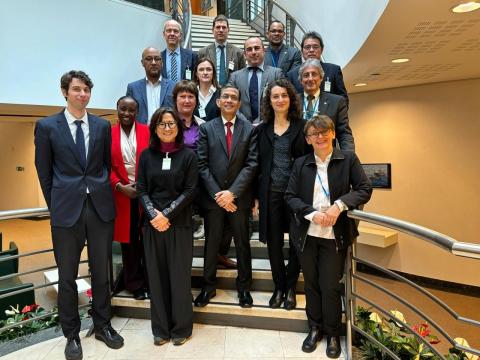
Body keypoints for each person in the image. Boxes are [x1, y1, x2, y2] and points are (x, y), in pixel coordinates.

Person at [34, 70, 124, 360]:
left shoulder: (101, 126)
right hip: (66, 212)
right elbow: (44, 172)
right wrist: (57, 203)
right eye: (76, 89)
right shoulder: (47, 127)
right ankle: (71, 335)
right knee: (67, 277)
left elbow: (103, 167)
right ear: (64, 92)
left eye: (86, 89)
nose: (82, 94)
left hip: (99, 208)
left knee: (101, 273)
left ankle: (102, 325)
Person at [285, 115, 372, 357]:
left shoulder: (348, 160)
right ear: (308, 139)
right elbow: (290, 196)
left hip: (335, 236)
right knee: (311, 285)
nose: (320, 137)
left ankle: (333, 333)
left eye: (324, 132)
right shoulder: (301, 163)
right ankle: (314, 328)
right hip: (307, 235)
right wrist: (311, 214)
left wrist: (340, 205)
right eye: (314, 134)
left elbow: (365, 189)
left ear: (333, 133)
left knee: (331, 286)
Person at [136, 107, 198, 346]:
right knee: (157, 277)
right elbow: (141, 189)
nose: (167, 128)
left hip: (179, 225)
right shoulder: (146, 156)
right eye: (162, 124)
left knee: (179, 277)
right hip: (152, 226)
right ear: (154, 128)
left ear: (179, 127)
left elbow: (191, 190)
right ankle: (160, 329)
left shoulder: (188, 157)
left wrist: (168, 214)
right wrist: (154, 215)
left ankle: (181, 327)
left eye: (172, 123)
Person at [194, 85, 258, 308]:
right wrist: (218, 195)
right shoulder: (206, 129)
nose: (229, 100)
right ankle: (208, 287)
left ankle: (244, 289)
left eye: (234, 98)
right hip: (213, 200)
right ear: (218, 102)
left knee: (242, 245)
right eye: (225, 97)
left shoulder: (249, 129)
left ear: (239, 104)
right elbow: (201, 165)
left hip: (239, 200)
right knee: (211, 244)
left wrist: (232, 193)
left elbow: (252, 164)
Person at [254, 79, 310, 310]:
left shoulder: (303, 126)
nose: (280, 100)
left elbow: (309, 163)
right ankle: (279, 286)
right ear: (269, 101)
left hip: (296, 195)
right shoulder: (261, 130)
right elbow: (256, 166)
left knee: (297, 243)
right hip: (271, 194)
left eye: (284, 96)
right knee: (274, 243)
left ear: (291, 99)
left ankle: (290, 287)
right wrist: (256, 198)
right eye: (275, 96)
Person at [110, 96, 149, 300]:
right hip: (123, 195)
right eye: (123, 109)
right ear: (117, 109)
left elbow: (152, 160)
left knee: (148, 241)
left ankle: (151, 281)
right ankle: (135, 284)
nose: (127, 113)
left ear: (137, 112)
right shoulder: (109, 133)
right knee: (130, 243)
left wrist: (142, 186)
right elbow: (104, 165)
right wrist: (119, 186)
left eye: (131, 110)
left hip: (146, 192)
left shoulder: (146, 130)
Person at [298, 58, 355, 151]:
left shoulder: (337, 102)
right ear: (301, 80)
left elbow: (344, 133)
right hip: (299, 160)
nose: (310, 78)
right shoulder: (292, 102)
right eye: (306, 75)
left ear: (321, 78)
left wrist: (349, 158)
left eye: (314, 74)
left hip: (327, 157)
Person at [229, 36, 284, 123]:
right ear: (244, 54)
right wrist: (246, 124)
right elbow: (231, 103)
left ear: (264, 51)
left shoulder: (276, 74)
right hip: (242, 127)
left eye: (257, 48)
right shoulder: (235, 77)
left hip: (269, 125)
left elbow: (281, 101)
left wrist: (263, 123)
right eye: (249, 49)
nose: (253, 52)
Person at [287, 31, 348, 105]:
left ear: (322, 50)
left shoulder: (333, 70)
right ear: (302, 51)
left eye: (315, 47)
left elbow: (343, 98)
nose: (311, 50)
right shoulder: (292, 74)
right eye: (307, 47)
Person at [126, 47, 175, 124]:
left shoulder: (173, 86)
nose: (153, 62)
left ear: (162, 62)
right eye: (148, 59)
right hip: (141, 133)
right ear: (142, 63)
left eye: (157, 59)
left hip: (166, 132)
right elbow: (128, 113)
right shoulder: (133, 88)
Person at [197, 14, 246, 86]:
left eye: (224, 27)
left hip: (231, 92)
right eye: (218, 27)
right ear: (212, 30)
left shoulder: (238, 52)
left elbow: (243, 76)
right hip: (210, 91)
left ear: (228, 30)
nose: (221, 30)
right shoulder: (203, 52)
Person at [172, 80, 205, 151]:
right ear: (175, 100)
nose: (187, 101)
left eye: (190, 96)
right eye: (183, 96)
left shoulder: (203, 125)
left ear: (196, 101)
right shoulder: (167, 123)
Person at [193, 57, 221, 121]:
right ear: (196, 74)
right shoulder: (191, 93)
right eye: (201, 69)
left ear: (213, 73)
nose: (205, 73)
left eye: (209, 69)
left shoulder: (221, 94)